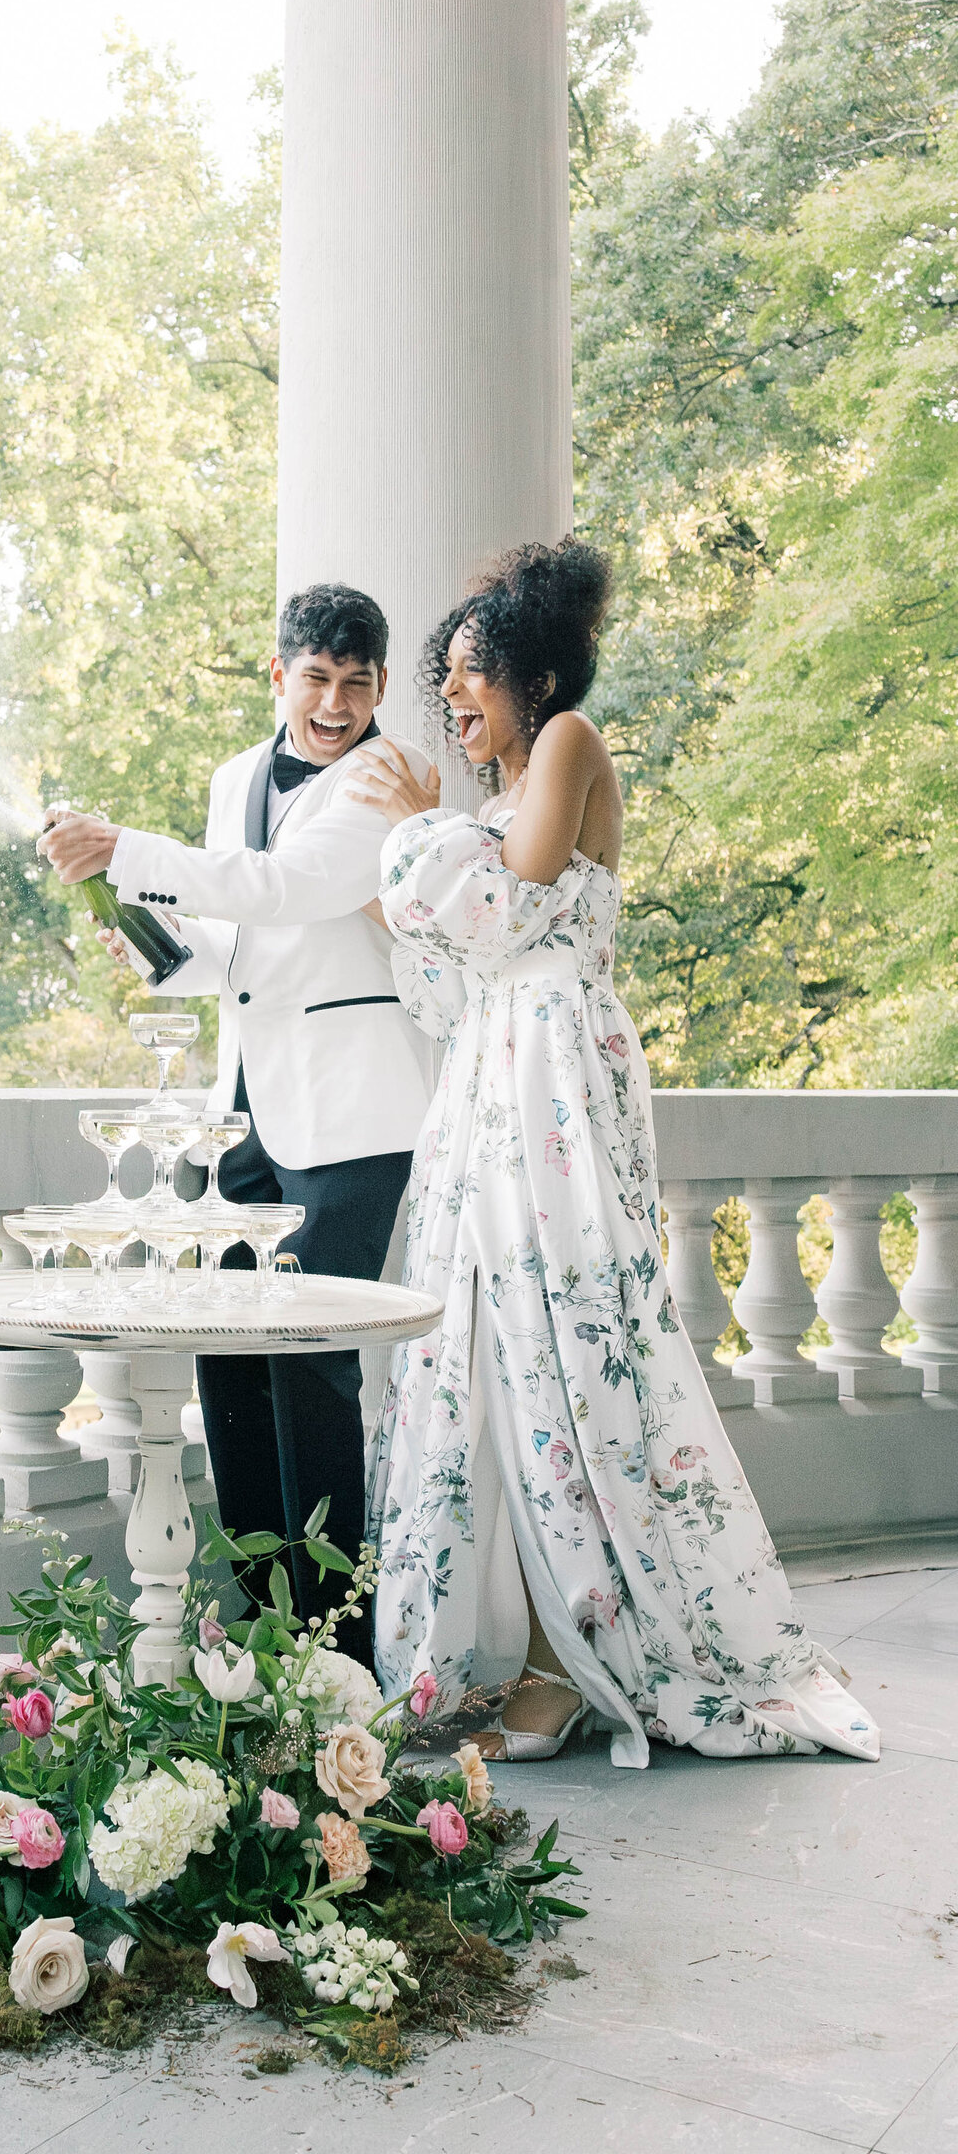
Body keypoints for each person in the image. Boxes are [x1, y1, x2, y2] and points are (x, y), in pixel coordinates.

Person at [348, 538, 879, 1767]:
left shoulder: (571, 744)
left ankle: (567, 1659)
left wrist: (418, 832)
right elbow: (440, 953)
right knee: (485, 1354)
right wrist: (417, 848)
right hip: (489, 1072)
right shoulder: (486, 802)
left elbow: (510, 894)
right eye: (452, 679)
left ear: (532, 672)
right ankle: (519, 1643)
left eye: (475, 675)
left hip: (552, 1077)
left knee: (562, 1348)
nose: (459, 700)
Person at [37, 583, 435, 1646]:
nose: (336, 703)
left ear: (382, 686)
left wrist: (123, 846)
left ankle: (334, 1645)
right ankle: (259, 1626)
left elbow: (284, 888)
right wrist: (143, 935)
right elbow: (231, 945)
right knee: (227, 1353)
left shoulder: (382, 780)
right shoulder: (234, 778)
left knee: (310, 1364)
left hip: (351, 1118)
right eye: (316, 679)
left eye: (358, 684)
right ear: (279, 675)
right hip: (243, 1118)